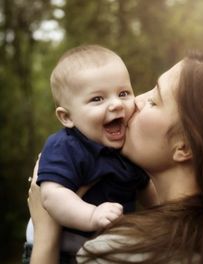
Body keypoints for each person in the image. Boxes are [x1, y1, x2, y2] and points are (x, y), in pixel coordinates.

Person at [28, 50, 203, 264]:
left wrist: (46, 232)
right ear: (65, 116)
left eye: (154, 101)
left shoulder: (114, 253)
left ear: (183, 146)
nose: (135, 102)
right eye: (97, 98)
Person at [24, 44, 157, 263]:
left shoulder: (128, 144)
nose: (116, 104)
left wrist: (166, 212)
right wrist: (91, 215)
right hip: (63, 248)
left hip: (105, 247)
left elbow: (147, 191)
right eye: (97, 99)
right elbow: (51, 195)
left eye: (123, 93)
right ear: (67, 117)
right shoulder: (67, 146)